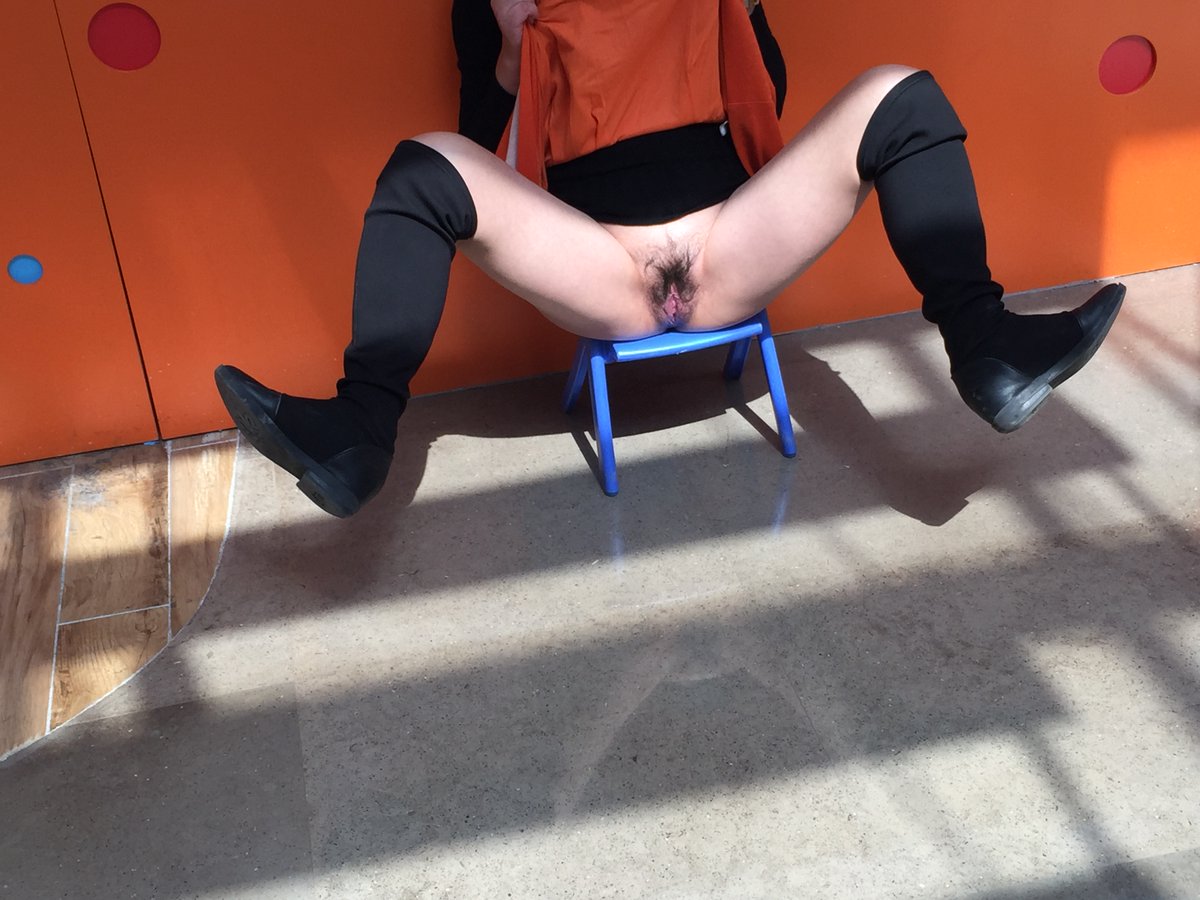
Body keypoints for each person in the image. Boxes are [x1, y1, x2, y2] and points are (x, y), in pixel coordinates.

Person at [215, 0, 1124, 518]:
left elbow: (765, 96)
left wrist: (749, 7)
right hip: (598, 263)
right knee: (423, 165)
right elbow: (482, 147)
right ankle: (361, 430)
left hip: (732, 241)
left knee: (901, 95)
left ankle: (986, 346)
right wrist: (508, 45)